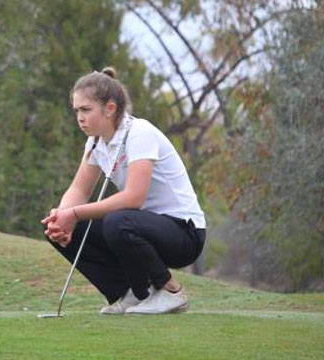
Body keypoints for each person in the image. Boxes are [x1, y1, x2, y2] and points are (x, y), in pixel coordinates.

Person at [41, 67, 206, 315]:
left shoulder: (139, 133)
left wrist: (73, 214)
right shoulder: (96, 141)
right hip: (142, 229)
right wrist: (62, 219)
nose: (80, 117)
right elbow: (78, 189)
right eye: (77, 111)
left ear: (110, 108)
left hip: (185, 233)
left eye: (86, 110)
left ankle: (171, 292)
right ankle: (128, 292)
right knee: (63, 225)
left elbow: (134, 198)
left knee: (117, 221)